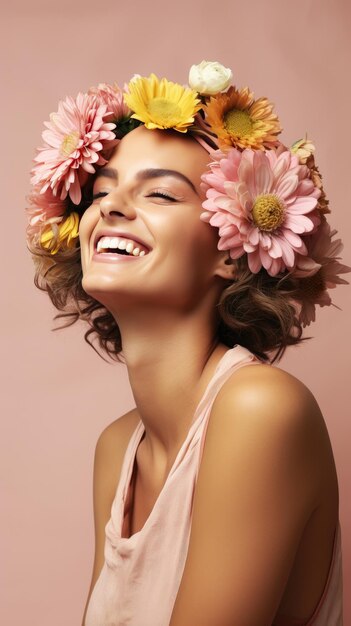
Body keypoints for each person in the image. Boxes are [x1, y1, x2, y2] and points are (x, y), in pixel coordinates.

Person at [26, 61, 349, 626]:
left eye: (161, 195)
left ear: (231, 249)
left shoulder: (261, 410)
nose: (109, 207)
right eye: (101, 191)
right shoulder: (117, 449)